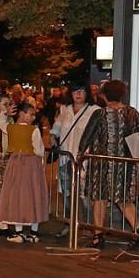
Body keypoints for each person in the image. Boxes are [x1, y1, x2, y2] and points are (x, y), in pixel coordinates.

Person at [79, 79, 139, 250]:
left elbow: (87, 137)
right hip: (125, 165)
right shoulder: (133, 113)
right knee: (124, 199)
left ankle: (98, 236)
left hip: (100, 164)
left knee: (99, 199)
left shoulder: (100, 114)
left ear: (105, 95)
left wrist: (80, 155)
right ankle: (138, 232)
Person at [51, 82, 99, 237]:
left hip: (84, 160)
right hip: (66, 159)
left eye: (81, 91)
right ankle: (69, 224)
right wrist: (52, 138)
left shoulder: (94, 110)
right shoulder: (64, 110)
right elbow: (56, 130)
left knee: (84, 195)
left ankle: (88, 227)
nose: (78, 94)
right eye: (74, 91)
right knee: (66, 194)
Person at [0, 102, 48, 244]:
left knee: (16, 195)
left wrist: (5, 112)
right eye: (31, 114)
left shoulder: (11, 128)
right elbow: (39, 150)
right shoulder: (34, 130)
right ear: (22, 114)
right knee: (33, 194)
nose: (33, 117)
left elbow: (0, 121)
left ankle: (19, 232)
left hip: (15, 164)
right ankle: (33, 232)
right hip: (31, 164)